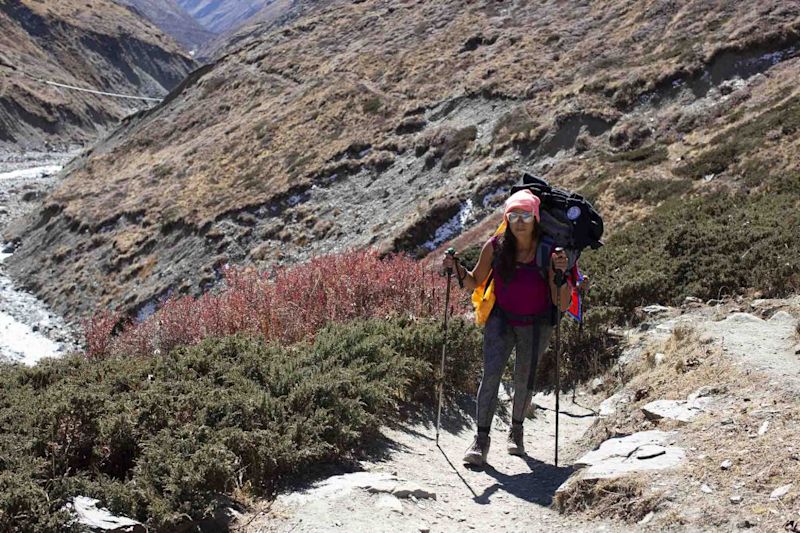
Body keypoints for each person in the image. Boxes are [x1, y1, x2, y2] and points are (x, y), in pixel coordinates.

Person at [442, 189, 570, 466]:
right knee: (491, 376)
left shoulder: (548, 251)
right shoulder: (496, 245)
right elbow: (475, 282)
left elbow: (561, 302)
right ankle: (481, 440)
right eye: (513, 215)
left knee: (525, 379)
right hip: (501, 318)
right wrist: (457, 270)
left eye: (525, 215)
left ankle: (517, 432)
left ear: (535, 217)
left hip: (536, 324)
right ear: (506, 218)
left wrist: (561, 274)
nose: (519, 220)